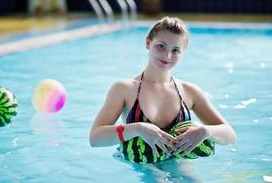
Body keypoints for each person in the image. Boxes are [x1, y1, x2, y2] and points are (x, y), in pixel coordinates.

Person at [89, 16, 236, 161]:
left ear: (182, 53)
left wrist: (206, 131)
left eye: (176, 50)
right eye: (161, 46)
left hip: (180, 164)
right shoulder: (124, 89)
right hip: (143, 167)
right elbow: (95, 138)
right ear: (148, 42)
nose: (167, 55)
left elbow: (230, 135)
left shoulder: (189, 92)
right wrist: (138, 129)